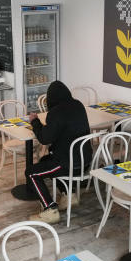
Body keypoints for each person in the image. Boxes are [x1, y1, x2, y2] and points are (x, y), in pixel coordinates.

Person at [25, 80, 92, 224]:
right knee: (45, 162)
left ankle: (50, 209)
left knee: (31, 173)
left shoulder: (55, 112)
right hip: (85, 160)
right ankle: (69, 196)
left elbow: (44, 138)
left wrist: (34, 122)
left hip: (67, 164)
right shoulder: (78, 105)